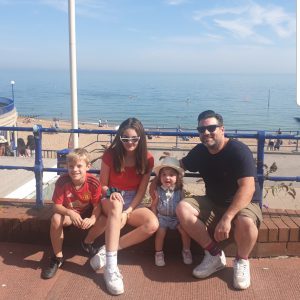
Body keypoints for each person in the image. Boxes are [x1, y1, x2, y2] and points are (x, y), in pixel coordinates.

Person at [175, 110, 262, 290]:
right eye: (201, 129)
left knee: (246, 222)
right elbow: (179, 166)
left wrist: (227, 218)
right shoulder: (200, 151)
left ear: (222, 129)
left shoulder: (238, 151)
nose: (206, 132)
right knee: (183, 208)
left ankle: (242, 261)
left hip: (244, 202)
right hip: (214, 200)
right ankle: (214, 255)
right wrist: (155, 178)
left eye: (211, 128)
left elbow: (248, 188)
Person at [90, 117, 159, 295]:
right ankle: (111, 268)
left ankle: (107, 250)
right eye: (125, 138)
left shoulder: (147, 159)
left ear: (141, 138)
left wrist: (128, 212)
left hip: (131, 202)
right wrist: (112, 192)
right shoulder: (110, 155)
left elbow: (141, 191)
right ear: (120, 138)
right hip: (110, 197)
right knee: (115, 205)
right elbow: (102, 185)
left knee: (152, 224)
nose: (130, 142)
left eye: (134, 138)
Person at [41, 148, 106, 279]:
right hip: (69, 215)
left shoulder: (93, 182)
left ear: (88, 167)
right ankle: (58, 257)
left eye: (79, 166)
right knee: (56, 218)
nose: (74, 169)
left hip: (86, 213)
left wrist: (93, 218)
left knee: (104, 219)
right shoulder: (62, 181)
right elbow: (56, 206)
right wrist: (70, 212)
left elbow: (97, 205)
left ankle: (87, 242)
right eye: (71, 166)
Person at [150, 156, 192, 267]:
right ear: (159, 177)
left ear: (177, 177)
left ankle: (186, 250)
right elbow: (154, 204)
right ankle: (159, 253)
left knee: (184, 231)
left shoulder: (180, 191)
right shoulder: (158, 191)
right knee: (161, 232)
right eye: (164, 174)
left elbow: (183, 204)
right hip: (162, 217)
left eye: (171, 175)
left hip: (176, 217)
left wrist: (182, 219)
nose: (167, 177)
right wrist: (154, 216)